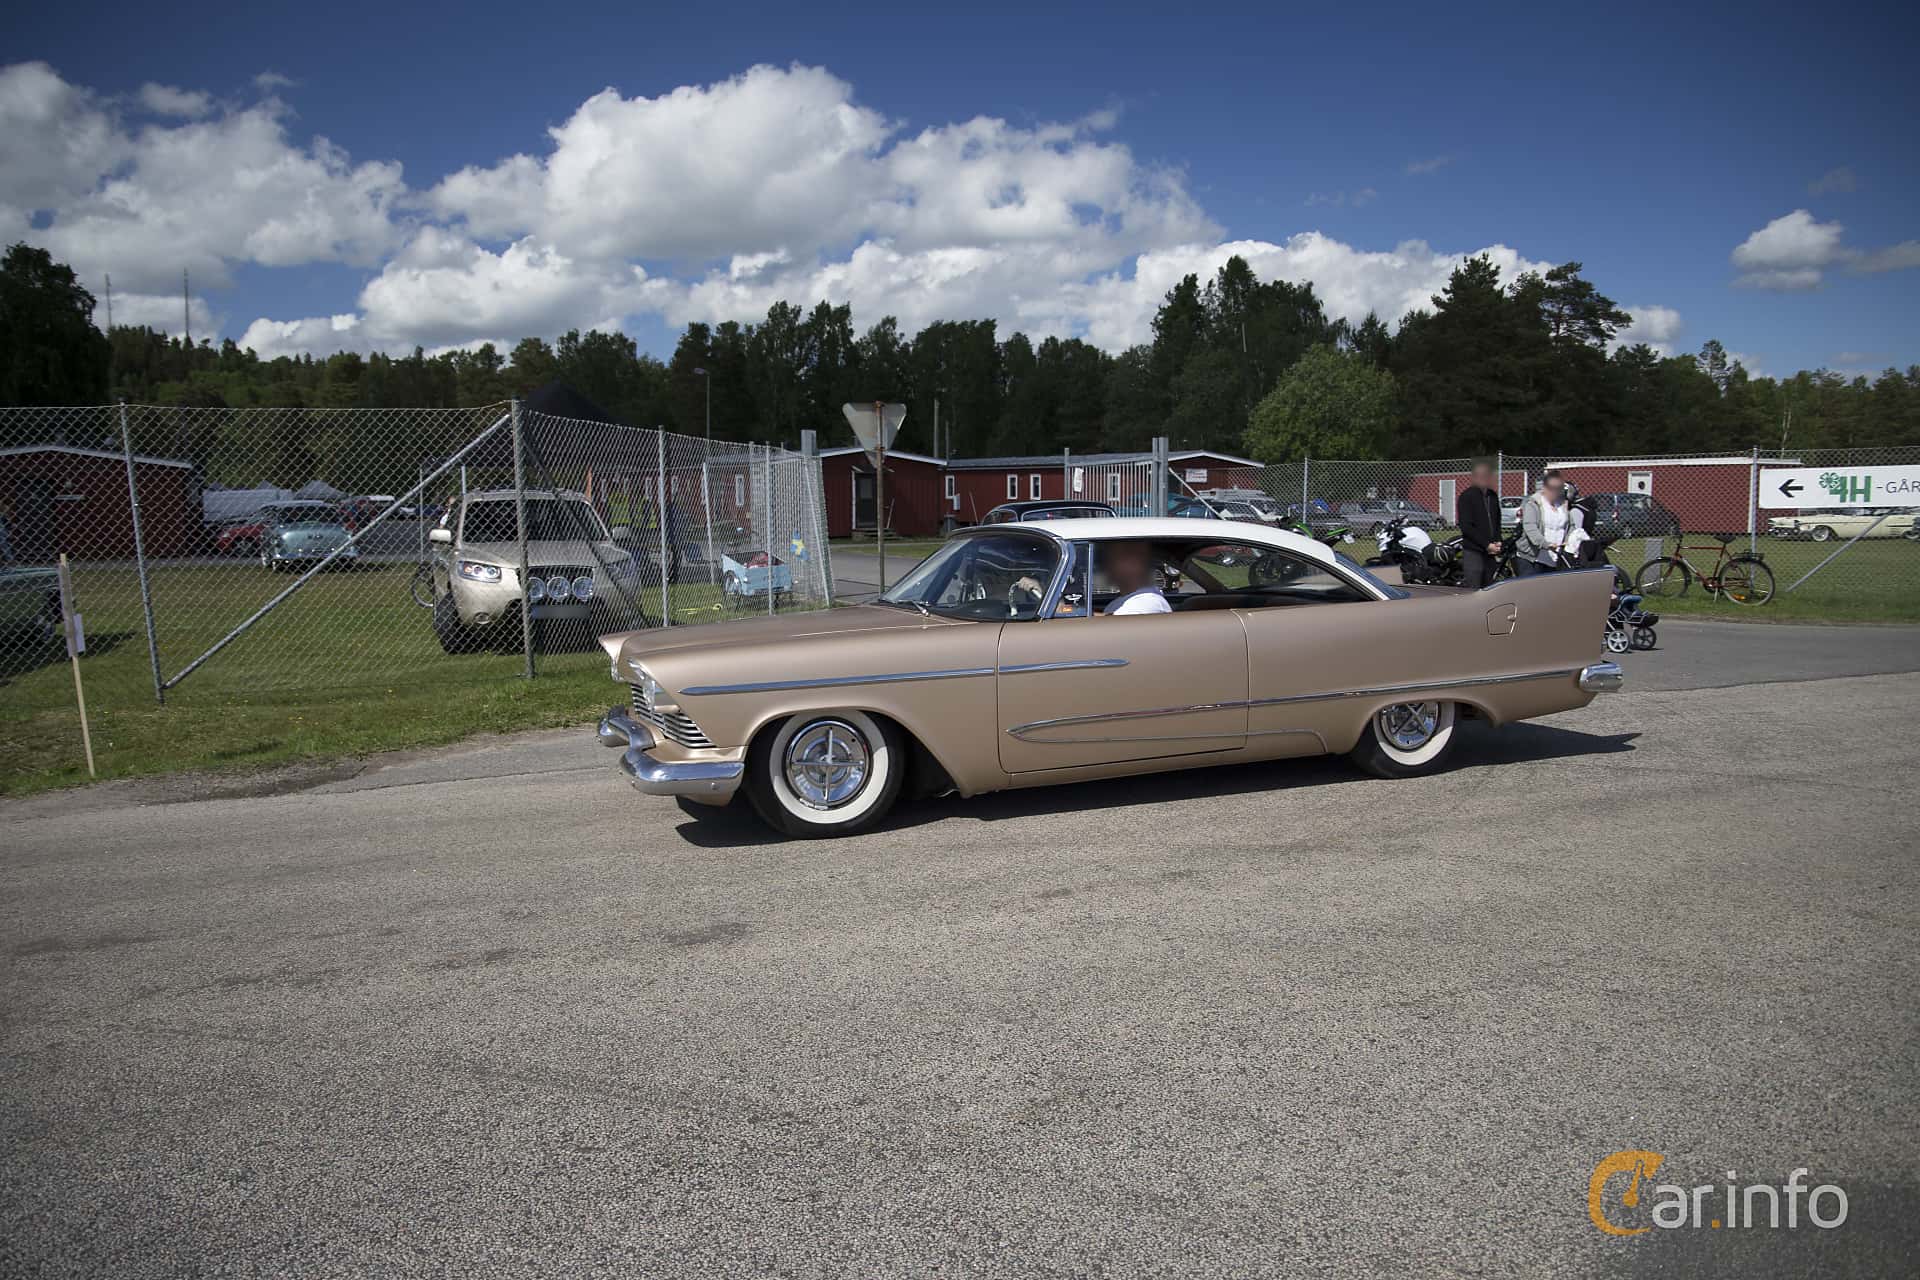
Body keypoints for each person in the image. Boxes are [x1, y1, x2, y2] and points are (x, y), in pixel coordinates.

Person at [1516, 471, 1582, 576]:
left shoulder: (1563, 505)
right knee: (1533, 590)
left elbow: (1571, 526)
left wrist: (1569, 541)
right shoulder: (1534, 504)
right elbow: (1530, 528)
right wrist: (1546, 544)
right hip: (1533, 558)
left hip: (1555, 557)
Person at [1455, 459, 1504, 588]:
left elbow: (1497, 521)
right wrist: (1486, 544)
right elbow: (1466, 526)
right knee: (1475, 587)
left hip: (1491, 552)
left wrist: (1498, 540)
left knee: (1491, 586)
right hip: (1474, 550)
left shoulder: (1492, 496)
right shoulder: (1467, 497)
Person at [1101, 540, 1171, 615]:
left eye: (1116, 557)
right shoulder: (1119, 602)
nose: (1107, 566)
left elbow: (1115, 622)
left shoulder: (1150, 601)